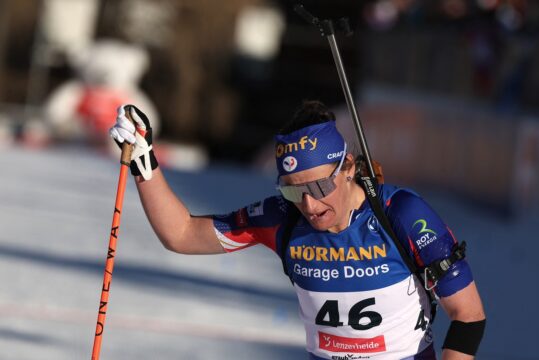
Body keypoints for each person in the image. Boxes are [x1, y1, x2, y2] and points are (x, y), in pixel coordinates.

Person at [109, 100, 486, 360]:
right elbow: (182, 234)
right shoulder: (282, 219)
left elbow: (467, 316)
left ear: (348, 167)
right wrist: (144, 161)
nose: (309, 205)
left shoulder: (400, 213)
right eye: (292, 190)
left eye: (320, 187)